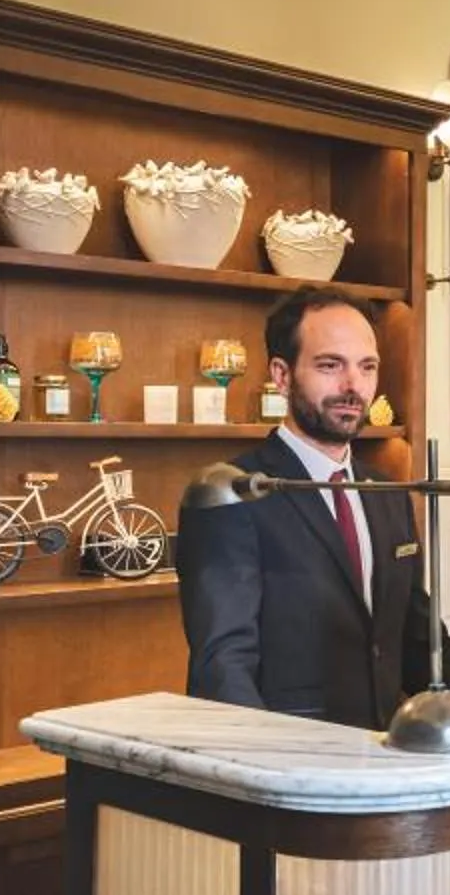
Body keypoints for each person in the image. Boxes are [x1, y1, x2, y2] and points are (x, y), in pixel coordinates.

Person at [180, 287, 435, 729]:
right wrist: (271, 774)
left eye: (367, 367)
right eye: (330, 365)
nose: (353, 386)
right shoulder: (232, 495)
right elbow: (223, 668)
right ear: (281, 376)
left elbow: (414, 639)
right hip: (294, 766)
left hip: (388, 758)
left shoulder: (388, 491)